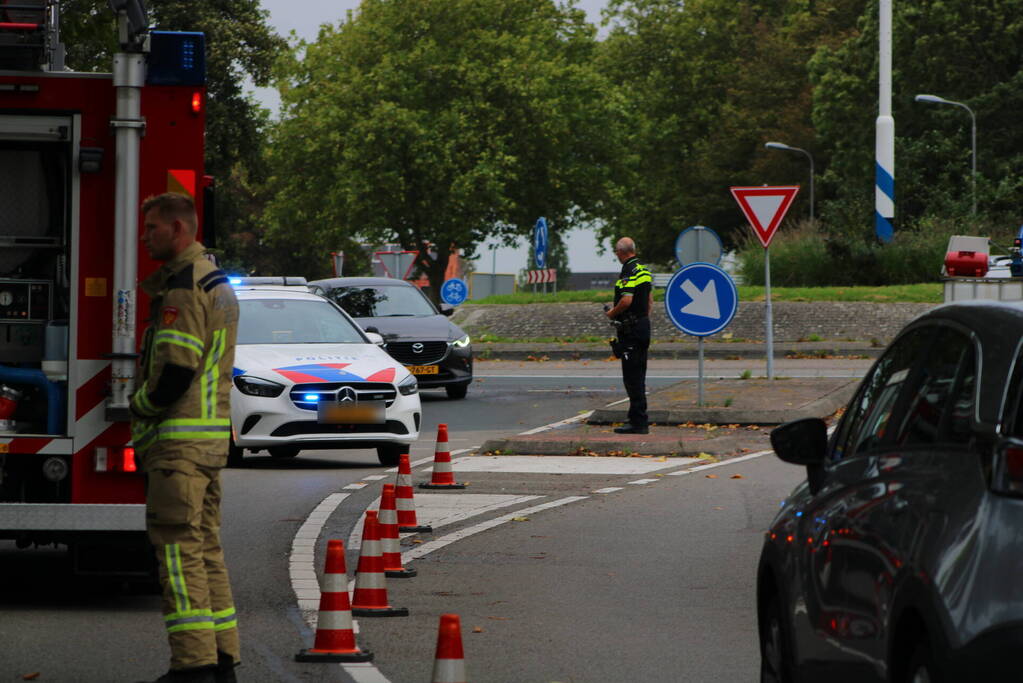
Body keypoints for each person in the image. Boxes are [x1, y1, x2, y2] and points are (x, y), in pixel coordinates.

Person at [131, 193, 241, 683]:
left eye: (151, 228)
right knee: (205, 549)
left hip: (178, 444)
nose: (144, 236)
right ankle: (222, 661)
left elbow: (175, 370)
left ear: (177, 228)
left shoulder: (182, 287)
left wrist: (141, 407)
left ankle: (192, 666)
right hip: (210, 441)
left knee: (177, 553)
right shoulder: (216, 281)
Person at [605, 237, 653, 434]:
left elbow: (626, 300)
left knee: (631, 378)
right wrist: (642, 319)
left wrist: (611, 313)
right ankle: (638, 418)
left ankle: (638, 422)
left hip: (631, 331)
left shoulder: (628, 270)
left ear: (621, 252)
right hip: (643, 326)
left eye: (616, 252)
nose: (616, 255)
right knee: (639, 375)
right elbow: (650, 300)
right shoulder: (643, 269)